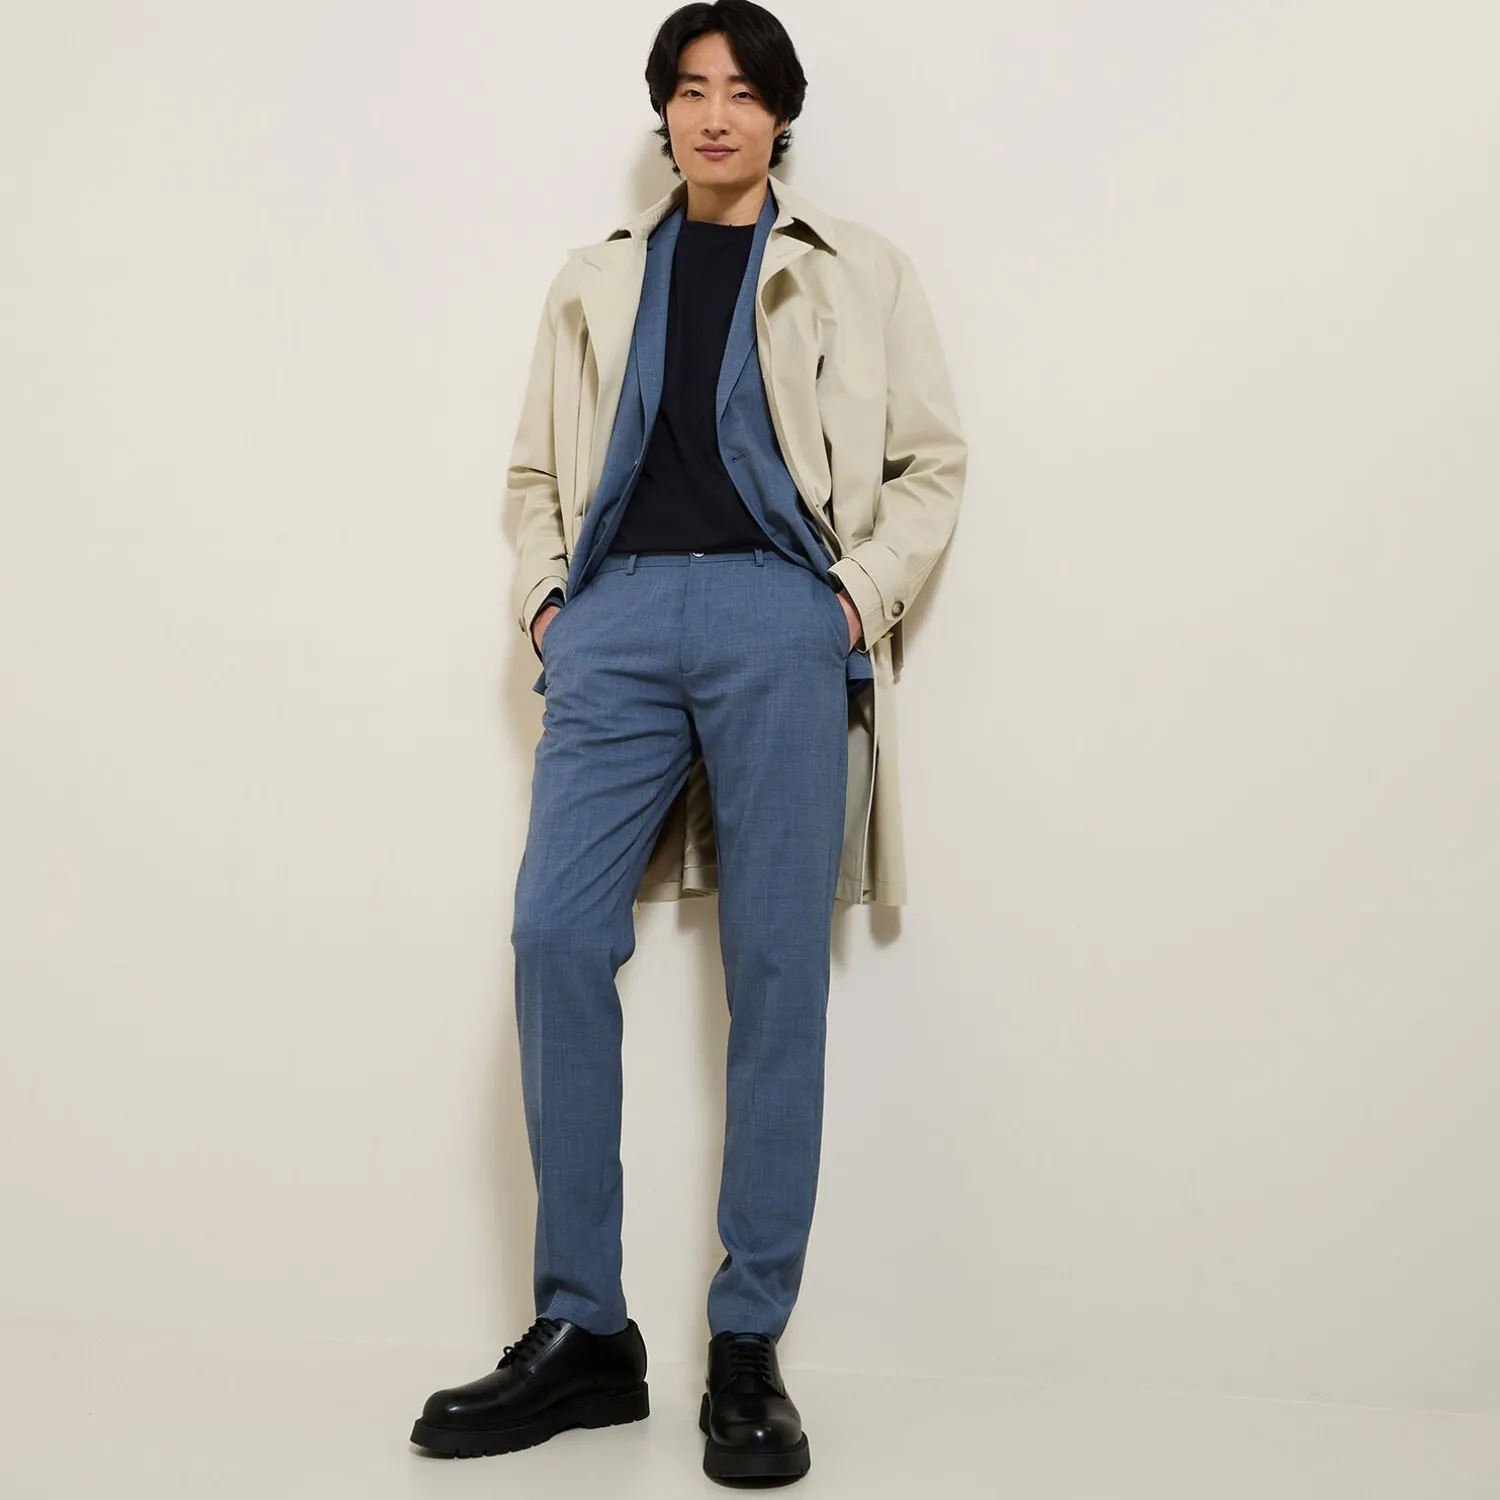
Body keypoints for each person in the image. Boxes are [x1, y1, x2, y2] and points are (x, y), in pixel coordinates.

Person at [410, 0, 965, 1482]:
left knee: (775, 972)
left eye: (743, 91)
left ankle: (748, 1346)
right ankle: (585, 1331)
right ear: (662, 111)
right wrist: (550, 609)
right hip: (616, 620)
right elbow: (535, 474)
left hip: (785, 618)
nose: (716, 115)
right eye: (691, 89)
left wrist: (849, 604)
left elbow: (930, 462)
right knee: (554, 934)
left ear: (782, 113)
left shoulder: (858, 271)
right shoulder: (596, 278)